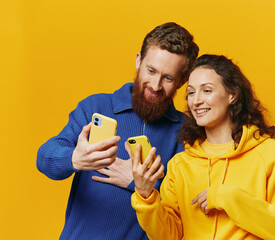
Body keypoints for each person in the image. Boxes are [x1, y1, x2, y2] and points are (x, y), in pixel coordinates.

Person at [36, 22, 199, 239]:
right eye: (151, 71)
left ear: (182, 81)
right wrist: (74, 159)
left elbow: (183, 206)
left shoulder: (185, 131)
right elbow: (44, 157)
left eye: (168, 78)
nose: (155, 85)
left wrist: (138, 183)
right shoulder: (95, 107)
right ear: (138, 61)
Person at [130, 54, 275, 239]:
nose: (196, 101)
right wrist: (146, 195)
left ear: (232, 95)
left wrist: (228, 198)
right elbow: (169, 236)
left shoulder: (268, 153)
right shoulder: (180, 165)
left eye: (206, 90)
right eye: (191, 92)